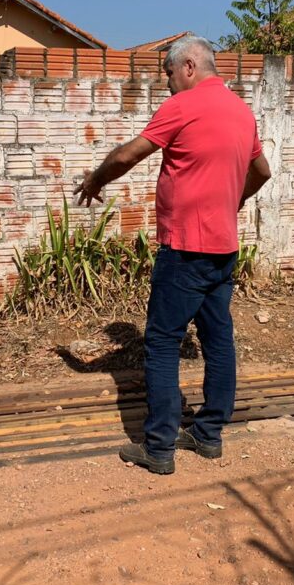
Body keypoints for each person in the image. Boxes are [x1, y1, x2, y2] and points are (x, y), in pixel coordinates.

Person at [74, 35, 271, 475]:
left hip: (185, 250)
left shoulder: (184, 105)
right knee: (218, 341)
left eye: (166, 73)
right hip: (224, 249)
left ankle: (159, 446)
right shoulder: (241, 111)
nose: (166, 84)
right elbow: (262, 171)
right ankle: (208, 435)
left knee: (162, 343)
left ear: (188, 66)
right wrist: (233, 202)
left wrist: (95, 182)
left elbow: (129, 154)